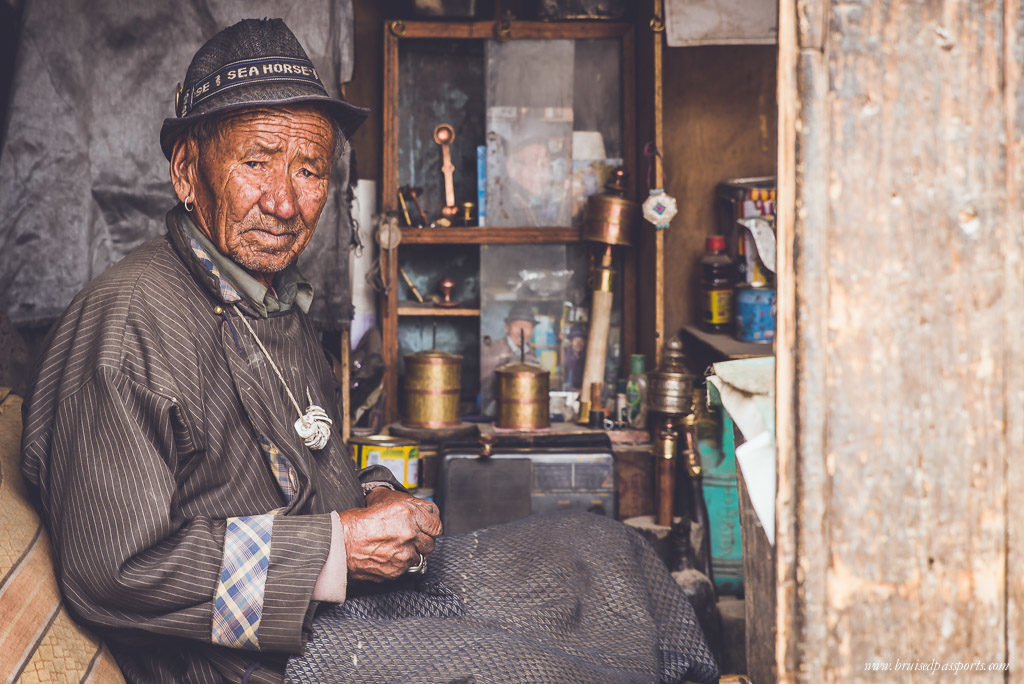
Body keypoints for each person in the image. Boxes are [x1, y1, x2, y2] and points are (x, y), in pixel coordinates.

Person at [21, 19, 717, 684]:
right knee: (534, 667)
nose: (286, 203)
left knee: (600, 549)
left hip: (339, 602)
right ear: (186, 172)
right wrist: (337, 547)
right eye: (257, 163)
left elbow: (303, 469)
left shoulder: (270, 300)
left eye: (310, 171)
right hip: (241, 657)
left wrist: (376, 495)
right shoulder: (127, 320)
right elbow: (115, 568)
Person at [478, 301, 540, 414]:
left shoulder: (531, 354)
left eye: (527, 326)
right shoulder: (492, 350)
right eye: (517, 325)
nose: (522, 331)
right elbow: (484, 385)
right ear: (507, 327)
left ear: (532, 331)